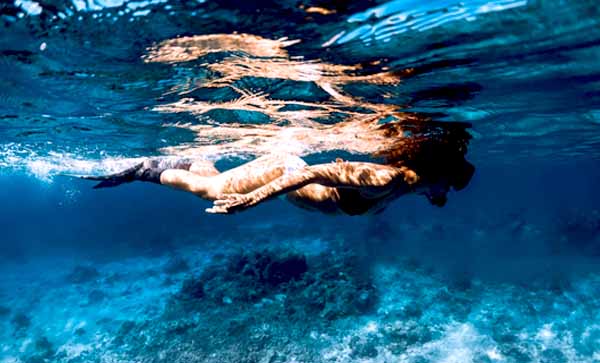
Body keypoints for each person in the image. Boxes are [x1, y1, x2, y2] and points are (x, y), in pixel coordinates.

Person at [79, 120, 474, 215]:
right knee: (212, 191)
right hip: (283, 172)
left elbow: (434, 190)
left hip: (299, 182)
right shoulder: (386, 177)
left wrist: (438, 194)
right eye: (454, 182)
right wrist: (251, 200)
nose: (451, 191)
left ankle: (187, 160)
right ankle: (144, 169)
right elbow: (307, 174)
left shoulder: (424, 185)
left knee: (215, 180)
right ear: (435, 169)